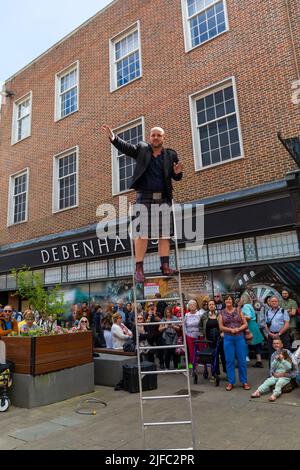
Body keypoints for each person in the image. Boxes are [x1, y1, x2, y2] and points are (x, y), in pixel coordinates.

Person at [102, 124, 183, 282]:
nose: (155, 137)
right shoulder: (142, 149)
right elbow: (126, 148)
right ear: (149, 137)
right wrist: (113, 138)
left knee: (164, 235)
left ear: (163, 137)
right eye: (153, 135)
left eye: (158, 135)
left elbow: (176, 176)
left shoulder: (171, 155)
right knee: (141, 234)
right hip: (144, 197)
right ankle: (139, 269)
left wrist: (178, 173)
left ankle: (165, 266)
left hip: (163, 199)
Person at [219, 295, 250, 391]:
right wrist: (230, 330)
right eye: (226, 299)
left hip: (239, 338)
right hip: (228, 338)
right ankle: (231, 382)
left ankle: (244, 381)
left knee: (242, 360)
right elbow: (221, 326)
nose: (228, 300)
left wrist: (238, 329)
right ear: (224, 302)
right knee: (229, 361)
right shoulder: (221, 313)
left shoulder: (239, 311)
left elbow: (245, 324)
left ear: (232, 301)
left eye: (230, 299)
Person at [199, 299, 226, 375]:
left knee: (223, 355)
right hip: (209, 339)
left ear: (215, 306)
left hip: (220, 338)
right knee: (214, 356)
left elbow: (225, 324)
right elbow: (200, 326)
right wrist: (202, 334)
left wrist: (223, 332)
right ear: (208, 306)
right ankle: (215, 372)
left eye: (212, 304)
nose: (211, 306)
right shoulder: (204, 315)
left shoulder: (220, 314)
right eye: (209, 304)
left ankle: (226, 371)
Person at [240, 296, 264, 368]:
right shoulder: (250, 305)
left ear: (244, 299)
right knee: (256, 345)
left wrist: (239, 316)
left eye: (241, 299)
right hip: (253, 325)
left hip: (250, 326)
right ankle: (259, 361)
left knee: (246, 344)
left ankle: (243, 361)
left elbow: (249, 316)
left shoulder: (246, 306)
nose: (240, 300)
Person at [184, 299, 202, 367]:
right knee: (191, 351)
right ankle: (193, 364)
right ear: (188, 306)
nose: (192, 306)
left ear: (196, 305)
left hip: (199, 335)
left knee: (200, 349)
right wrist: (186, 333)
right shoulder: (186, 315)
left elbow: (202, 324)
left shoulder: (200, 314)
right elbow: (184, 325)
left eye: (193, 304)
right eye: (190, 305)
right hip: (189, 335)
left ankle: (201, 363)